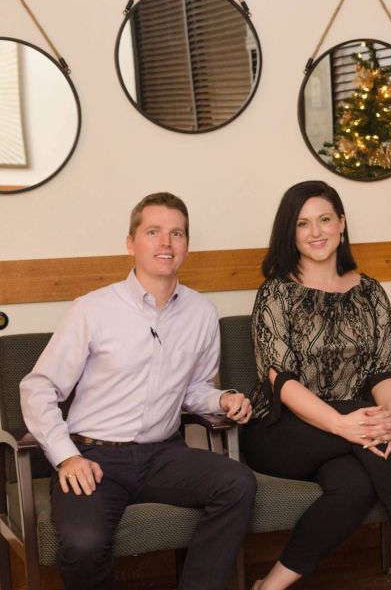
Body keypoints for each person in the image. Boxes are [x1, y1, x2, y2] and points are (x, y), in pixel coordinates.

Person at [242, 180, 391, 590]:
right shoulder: (276, 293)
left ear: (342, 223)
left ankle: (270, 585)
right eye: (302, 224)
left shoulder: (369, 292)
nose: (316, 232)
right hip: (279, 431)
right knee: (360, 416)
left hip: (350, 434)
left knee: (355, 487)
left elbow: (384, 371)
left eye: (324, 219)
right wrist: (344, 423)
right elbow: (282, 382)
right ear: (290, 233)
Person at [20, 192, 257, 590]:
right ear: (131, 243)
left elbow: (193, 390)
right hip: (94, 456)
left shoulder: (202, 313)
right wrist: (67, 457)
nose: (166, 242)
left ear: (186, 245)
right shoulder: (92, 309)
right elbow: (37, 387)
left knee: (238, 484)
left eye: (176, 233)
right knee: (83, 543)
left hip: (163, 454)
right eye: (153, 232)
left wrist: (222, 399)